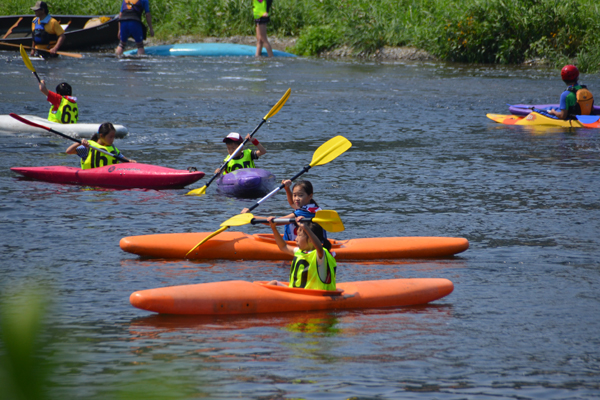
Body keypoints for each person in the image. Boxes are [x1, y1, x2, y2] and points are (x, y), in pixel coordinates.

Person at [243, 180, 327, 242]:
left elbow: (275, 222)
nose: (296, 198)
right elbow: (292, 203)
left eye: (300, 195)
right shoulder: (313, 207)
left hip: (297, 246)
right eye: (294, 195)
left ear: (310, 196)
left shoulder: (303, 212)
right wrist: (287, 189)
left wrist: (250, 216)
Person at [267, 217, 336, 290]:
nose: (296, 239)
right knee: (274, 283)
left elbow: (319, 248)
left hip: (314, 295)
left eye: (299, 235)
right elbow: (283, 246)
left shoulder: (320, 256)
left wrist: (306, 228)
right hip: (297, 293)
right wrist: (273, 228)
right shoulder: (299, 251)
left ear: (310, 240)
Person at [66, 122, 136, 169]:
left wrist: (130, 162)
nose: (112, 139)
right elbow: (69, 151)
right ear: (101, 136)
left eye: (113, 137)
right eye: (110, 137)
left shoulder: (114, 149)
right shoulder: (89, 146)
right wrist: (80, 143)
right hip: (90, 182)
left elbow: (125, 161)